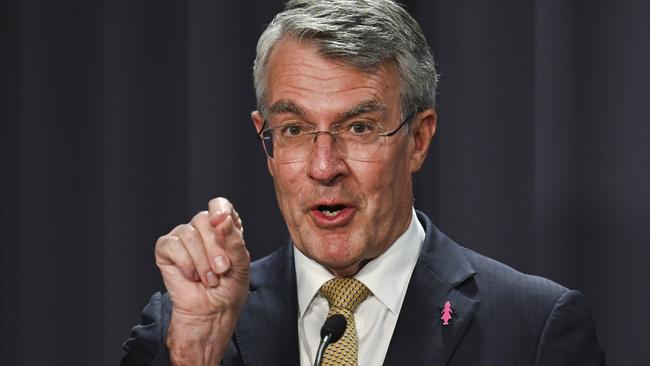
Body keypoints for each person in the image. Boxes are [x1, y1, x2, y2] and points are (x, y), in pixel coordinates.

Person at [121, 1, 606, 365]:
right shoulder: (182, 326)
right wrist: (196, 350)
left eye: (359, 128)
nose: (324, 166)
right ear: (265, 141)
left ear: (418, 138)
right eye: (294, 130)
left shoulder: (535, 329)